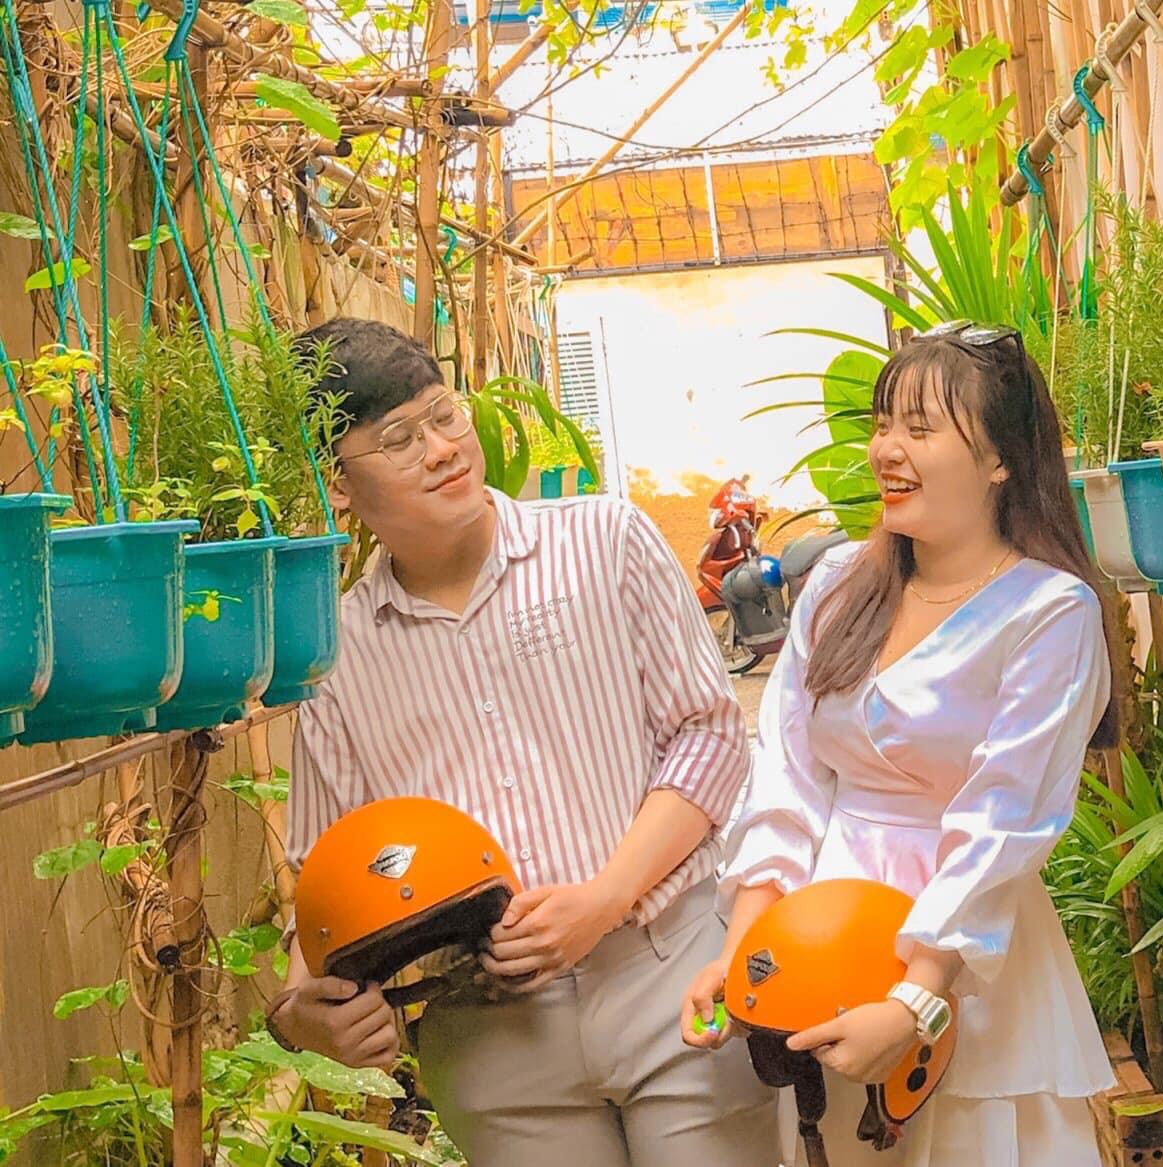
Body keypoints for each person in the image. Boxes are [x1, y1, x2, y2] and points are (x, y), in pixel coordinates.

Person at [267, 316, 777, 1167]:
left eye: (444, 414)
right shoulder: (334, 653)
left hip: (671, 973)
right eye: (398, 438)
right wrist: (301, 1014)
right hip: (491, 1036)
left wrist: (605, 897)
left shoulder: (606, 541)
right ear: (337, 483)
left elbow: (710, 735)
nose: (442, 449)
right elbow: (327, 870)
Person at [682, 321, 1117, 1166]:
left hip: (970, 961)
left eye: (920, 428)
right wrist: (744, 954)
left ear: (1001, 458)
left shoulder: (1051, 612)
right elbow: (788, 777)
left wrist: (916, 1001)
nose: (888, 449)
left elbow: (1003, 820)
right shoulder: (839, 583)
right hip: (823, 951)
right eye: (884, 424)